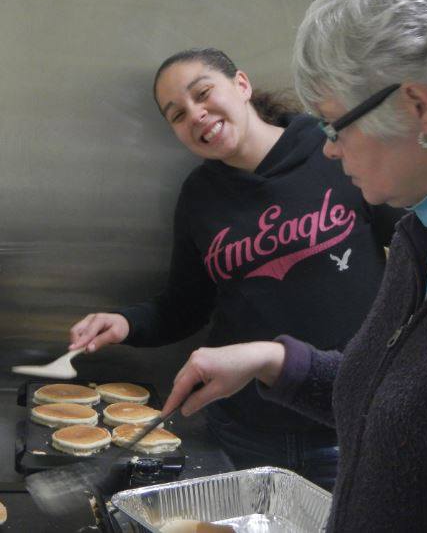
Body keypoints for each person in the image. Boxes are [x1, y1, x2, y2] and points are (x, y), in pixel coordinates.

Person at [160, 0, 427, 532]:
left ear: (418, 107)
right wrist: (272, 360)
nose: (328, 148)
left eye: (333, 123)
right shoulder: (426, 231)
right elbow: (388, 400)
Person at [68, 47, 402, 490]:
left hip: (347, 422)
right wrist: (125, 323)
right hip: (245, 431)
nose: (196, 115)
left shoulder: (335, 152)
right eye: (177, 115)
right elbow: (185, 307)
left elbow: (417, 252)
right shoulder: (199, 197)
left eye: (203, 93)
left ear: (241, 85)